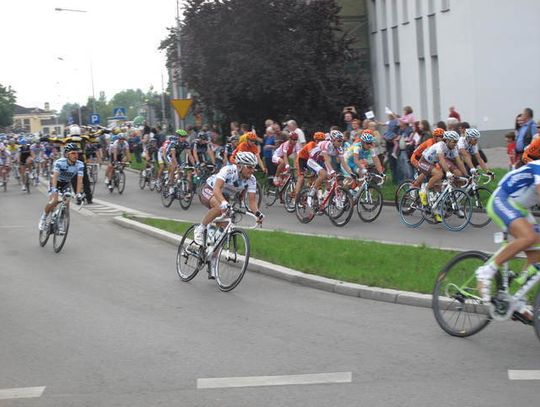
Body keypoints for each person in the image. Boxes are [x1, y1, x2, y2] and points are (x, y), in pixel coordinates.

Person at [475, 161, 540, 320]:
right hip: (502, 199)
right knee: (528, 237)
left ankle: (517, 299)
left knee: (537, 251)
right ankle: (485, 272)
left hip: (520, 209)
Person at [195, 151, 264, 247]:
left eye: (254, 167)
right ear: (240, 166)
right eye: (249, 167)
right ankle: (200, 229)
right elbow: (216, 189)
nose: (252, 170)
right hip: (210, 190)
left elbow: (252, 201)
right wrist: (223, 202)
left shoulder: (251, 179)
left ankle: (213, 255)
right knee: (219, 207)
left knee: (224, 228)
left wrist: (257, 213)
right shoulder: (228, 170)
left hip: (224, 196)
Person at [38, 143, 84, 231]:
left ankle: (60, 222)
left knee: (66, 204)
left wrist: (78, 193)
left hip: (66, 183)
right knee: (54, 201)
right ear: (67, 154)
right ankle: (43, 219)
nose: (76, 155)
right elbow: (55, 176)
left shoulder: (80, 164)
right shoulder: (60, 162)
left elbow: (79, 180)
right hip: (55, 182)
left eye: (77, 153)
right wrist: (54, 189)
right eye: (73, 153)